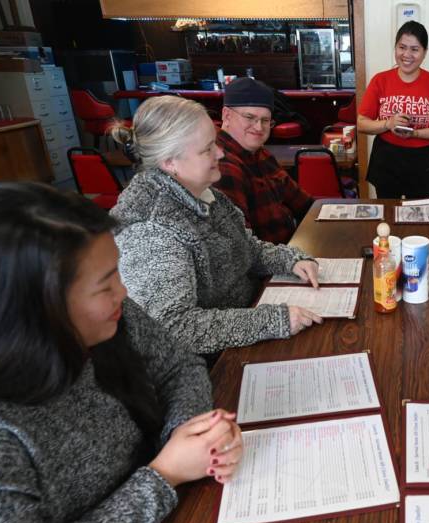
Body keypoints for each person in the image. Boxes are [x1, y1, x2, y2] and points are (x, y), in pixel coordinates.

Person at [0, 182, 243, 523]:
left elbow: (180, 365)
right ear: (36, 308)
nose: (122, 293)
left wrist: (190, 435)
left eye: (116, 273)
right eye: (103, 285)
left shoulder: (110, 316)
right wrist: (165, 473)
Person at [110, 96, 322, 357]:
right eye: (207, 149)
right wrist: (270, 321)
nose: (220, 153)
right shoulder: (150, 232)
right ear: (169, 162)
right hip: (209, 366)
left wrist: (289, 260)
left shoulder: (204, 193)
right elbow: (174, 329)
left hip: (244, 327)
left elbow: (245, 249)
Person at [357, 21, 429, 199]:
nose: (407, 54)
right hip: (386, 157)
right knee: (387, 214)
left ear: (424, 52)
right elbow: (362, 124)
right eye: (402, 47)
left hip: (422, 160)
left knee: (417, 217)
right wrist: (388, 123)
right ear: (395, 48)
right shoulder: (380, 80)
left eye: (414, 49)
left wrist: (415, 134)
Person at [214, 77, 314, 245]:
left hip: (290, 250)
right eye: (249, 117)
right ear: (226, 115)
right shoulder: (220, 164)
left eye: (265, 120)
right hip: (269, 266)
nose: (259, 127)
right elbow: (241, 247)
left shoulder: (261, 154)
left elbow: (304, 204)